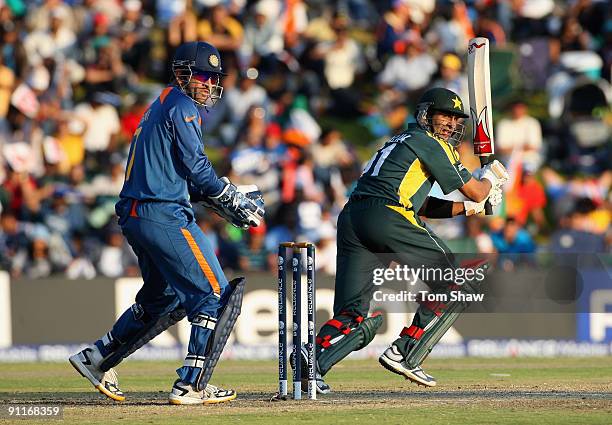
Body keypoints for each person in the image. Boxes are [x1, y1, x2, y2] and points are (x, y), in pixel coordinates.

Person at [69, 41, 264, 405]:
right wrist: (230, 195)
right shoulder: (183, 106)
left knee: (164, 298)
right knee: (214, 294)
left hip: (137, 213)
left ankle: (97, 357)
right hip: (162, 212)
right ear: (182, 72)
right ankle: (191, 384)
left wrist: (220, 199)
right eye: (202, 75)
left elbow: (185, 177)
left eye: (213, 77)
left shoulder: (161, 103)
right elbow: (199, 171)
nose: (208, 83)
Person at [297, 88, 508, 393]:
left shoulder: (398, 142)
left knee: (353, 315)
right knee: (457, 281)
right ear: (426, 114)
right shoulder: (431, 142)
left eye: (454, 118)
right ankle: (405, 352)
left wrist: (470, 207)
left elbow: (422, 204)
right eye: (444, 115)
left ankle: (310, 367)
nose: (450, 123)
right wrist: (491, 176)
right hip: (387, 215)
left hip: (354, 218)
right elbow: (476, 189)